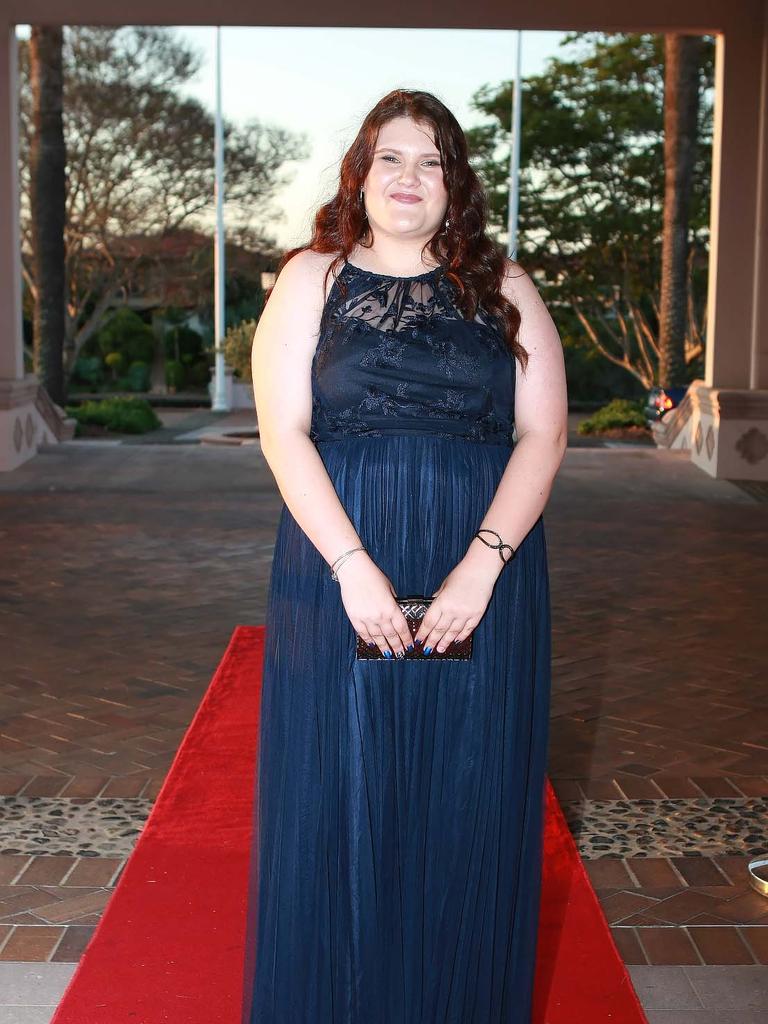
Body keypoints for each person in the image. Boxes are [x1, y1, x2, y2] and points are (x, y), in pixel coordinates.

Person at [241, 87, 568, 1024]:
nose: (409, 176)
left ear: (454, 181)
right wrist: (351, 565)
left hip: (486, 569)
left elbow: (543, 435)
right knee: (342, 797)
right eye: (391, 157)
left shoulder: (504, 284)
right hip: (337, 560)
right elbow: (282, 431)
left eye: (430, 160)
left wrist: (483, 563)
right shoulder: (312, 277)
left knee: (467, 799)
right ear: (360, 170)